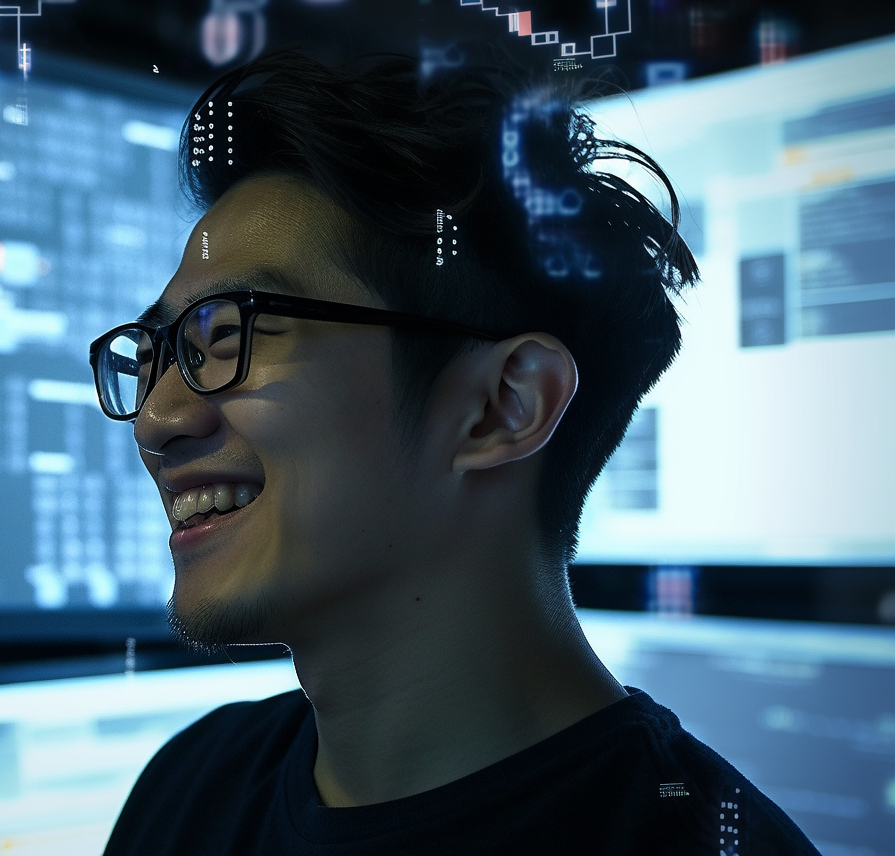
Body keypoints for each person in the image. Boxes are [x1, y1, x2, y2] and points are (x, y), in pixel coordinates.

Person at [93, 48, 819, 855]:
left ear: (502, 406)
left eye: (229, 333)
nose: (156, 418)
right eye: (155, 351)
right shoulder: (193, 786)